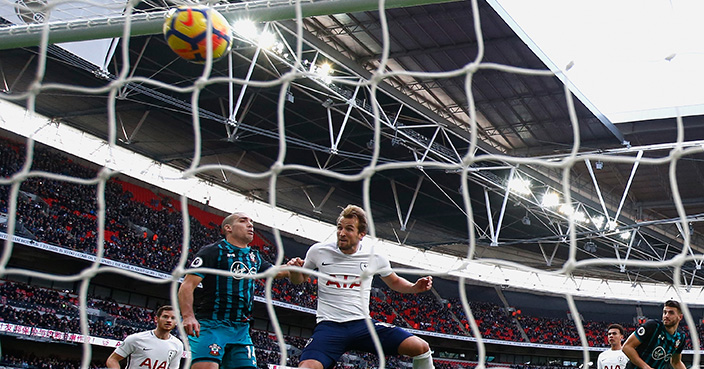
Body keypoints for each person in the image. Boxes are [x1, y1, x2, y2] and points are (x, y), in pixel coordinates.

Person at [287, 204, 435, 369]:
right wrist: (294, 270)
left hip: (362, 325)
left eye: (349, 229)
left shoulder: (375, 256)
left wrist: (414, 287)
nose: (342, 233)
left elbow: (394, 282)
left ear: (361, 234)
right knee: (307, 367)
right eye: (339, 228)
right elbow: (299, 279)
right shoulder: (318, 251)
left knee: (421, 347)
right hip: (329, 326)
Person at [178, 212, 288, 369]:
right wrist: (188, 316)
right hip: (211, 325)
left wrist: (293, 265)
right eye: (243, 221)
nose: (250, 225)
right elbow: (187, 285)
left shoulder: (254, 256)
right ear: (228, 228)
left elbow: (276, 271)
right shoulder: (212, 251)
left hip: (241, 329)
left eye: (251, 222)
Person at [106, 305, 184, 369]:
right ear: (156, 319)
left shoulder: (178, 345)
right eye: (165, 317)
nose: (169, 320)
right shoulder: (136, 339)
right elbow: (112, 359)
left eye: (173, 318)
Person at [622, 300, 686, 369]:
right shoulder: (652, 326)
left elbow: (676, 362)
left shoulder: (680, 337)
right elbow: (627, 347)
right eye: (665, 312)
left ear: (680, 317)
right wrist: (646, 367)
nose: (666, 316)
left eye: (671, 313)